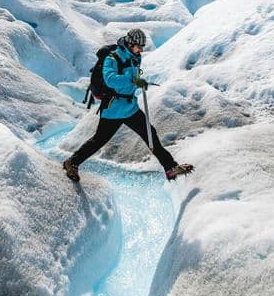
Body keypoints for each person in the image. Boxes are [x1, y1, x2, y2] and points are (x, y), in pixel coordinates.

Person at [63, 28, 194, 182]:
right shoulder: (112, 58)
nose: (141, 49)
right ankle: (71, 162)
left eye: (142, 46)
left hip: (130, 106)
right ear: (130, 43)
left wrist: (139, 83)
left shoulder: (135, 58)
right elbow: (110, 79)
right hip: (113, 108)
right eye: (139, 46)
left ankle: (170, 168)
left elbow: (131, 79)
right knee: (98, 140)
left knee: (150, 134)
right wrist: (132, 81)